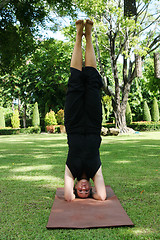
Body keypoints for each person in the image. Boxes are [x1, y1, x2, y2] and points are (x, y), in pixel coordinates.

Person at [64, 19, 106, 201]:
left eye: (79, 191)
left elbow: (67, 197)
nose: (83, 189)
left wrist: (72, 195)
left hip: (73, 123)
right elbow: (102, 196)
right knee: (92, 83)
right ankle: (88, 35)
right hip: (92, 123)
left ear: (74, 187)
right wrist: (94, 195)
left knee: (75, 82)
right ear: (91, 187)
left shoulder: (70, 171)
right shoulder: (95, 170)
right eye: (86, 191)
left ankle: (78, 36)